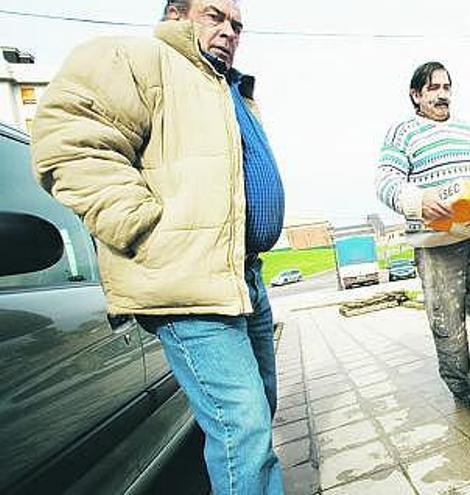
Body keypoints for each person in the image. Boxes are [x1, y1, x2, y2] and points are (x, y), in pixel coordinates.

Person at [30, 1, 285, 493]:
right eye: (214, 16)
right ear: (175, 14)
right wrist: (143, 228)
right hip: (186, 282)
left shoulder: (222, 86)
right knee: (243, 426)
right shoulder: (139, 60)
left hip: (241, 276)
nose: (229, 32)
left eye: (237, 25)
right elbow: (66, 140)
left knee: (259, 412)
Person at [375, 61, 470, 413]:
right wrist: (417, 200)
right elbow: (387, 181)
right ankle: (462, 389)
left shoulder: (466, 130)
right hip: (435, 243)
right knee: (447, 321)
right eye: (433, 88)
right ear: (416, 95)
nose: (442, 95)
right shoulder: (402, 132)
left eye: (447, 87)